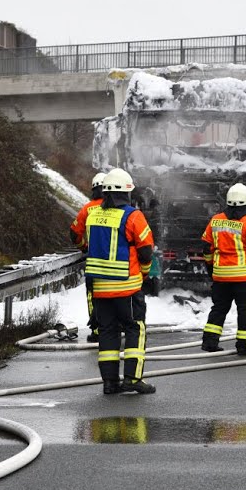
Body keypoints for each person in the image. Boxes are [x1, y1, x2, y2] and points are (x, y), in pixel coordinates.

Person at [84, 168, 157, 395]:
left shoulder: (92, 215)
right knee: (135, 329)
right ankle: (133, 379)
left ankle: (109, 383)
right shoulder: (133, 216)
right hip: (127, 288)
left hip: (100, 290)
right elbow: (146, 252)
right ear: (127, 193)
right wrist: (143, 274)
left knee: (107, 333)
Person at [200, 183, 246, 356]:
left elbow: (206, 247)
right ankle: (245, 345)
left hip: (221, 277)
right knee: (245, 310)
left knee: (219, 309)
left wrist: (211, 267)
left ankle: (210, 342)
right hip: (244, 278)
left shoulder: (215, 220)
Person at [70, 172, 107, 342]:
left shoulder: (87, 209)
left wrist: (84, 247)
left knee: (94, 296)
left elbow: (74, 233)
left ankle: (97, 330)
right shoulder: (119, 208)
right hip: (119, 263)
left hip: (94, 263)